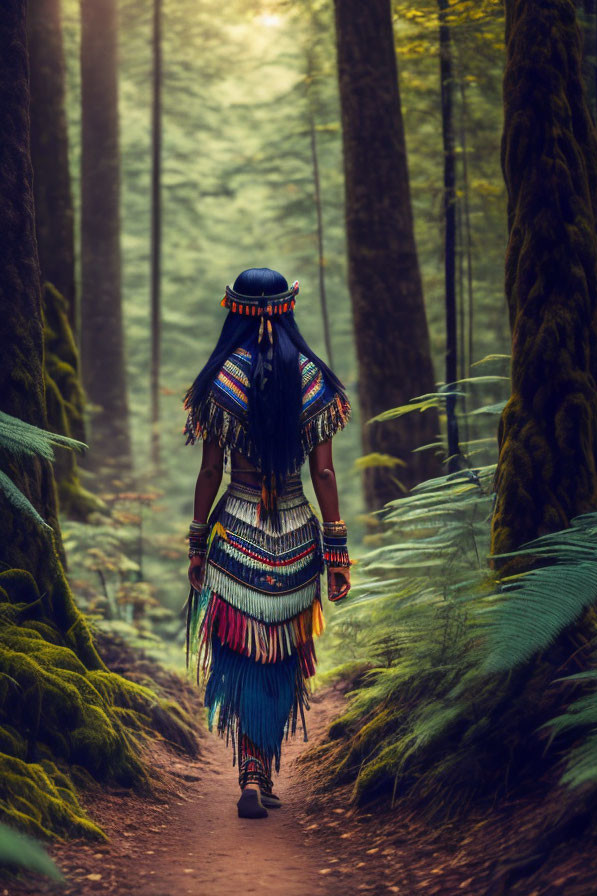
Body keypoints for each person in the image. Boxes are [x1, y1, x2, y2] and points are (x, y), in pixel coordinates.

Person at [183, 267, 352, 819]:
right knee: (283, 652)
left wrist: (194, 541)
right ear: (287, 309)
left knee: (239, 649)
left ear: (234, 311)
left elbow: (211, 471)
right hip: (299, 536)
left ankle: (250, 770)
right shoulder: (312, 379)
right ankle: (264, 767)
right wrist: (337, 552)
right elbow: (324, 476)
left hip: (235, 533)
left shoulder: (220, 381)